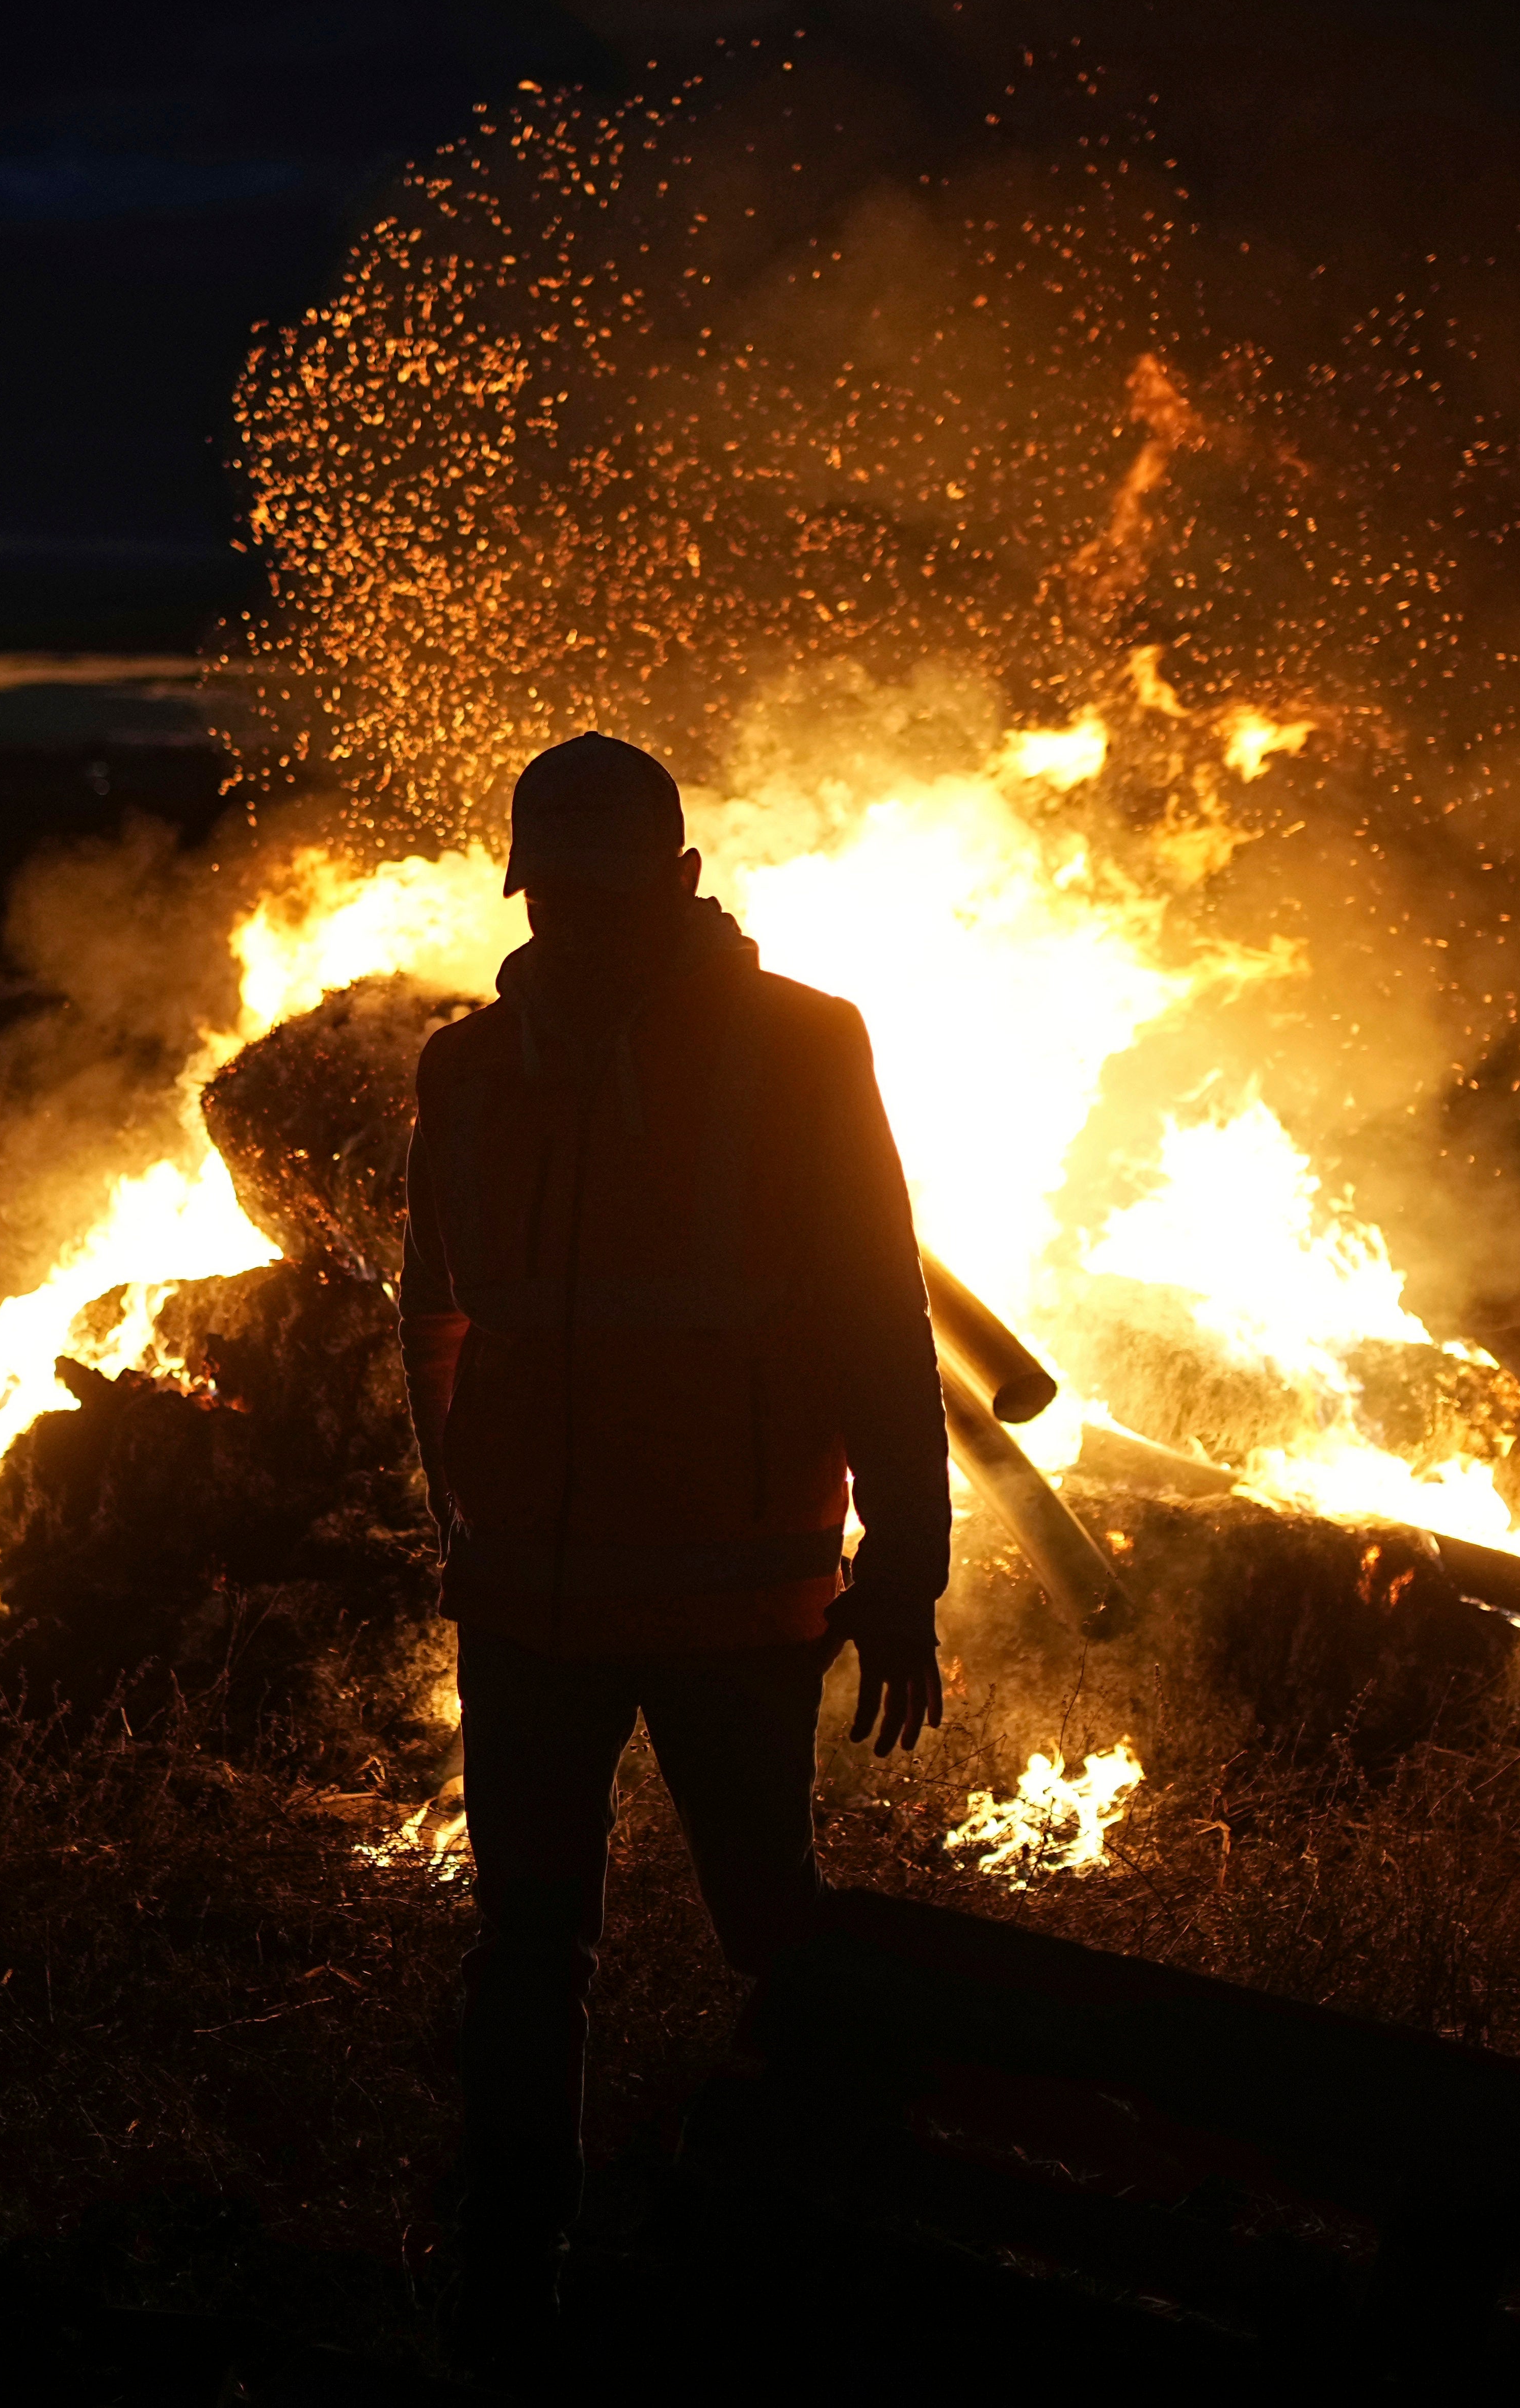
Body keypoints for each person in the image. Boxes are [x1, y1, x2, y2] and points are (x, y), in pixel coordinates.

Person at [395, 731, 952, 2374]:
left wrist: (904, 1565)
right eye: (553, 897)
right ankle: (514, 2292)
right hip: (528, 1609)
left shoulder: (800, 1049)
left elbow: (875, 1307)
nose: (579, 927)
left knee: (770, 1922)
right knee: (530, 1941)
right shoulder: (469, 1071)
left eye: (607, 897)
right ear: (523, 892)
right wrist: (462, 1514)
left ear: (687, 887)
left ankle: (829, 2252)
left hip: (735, 1602)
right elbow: (435, 1306)